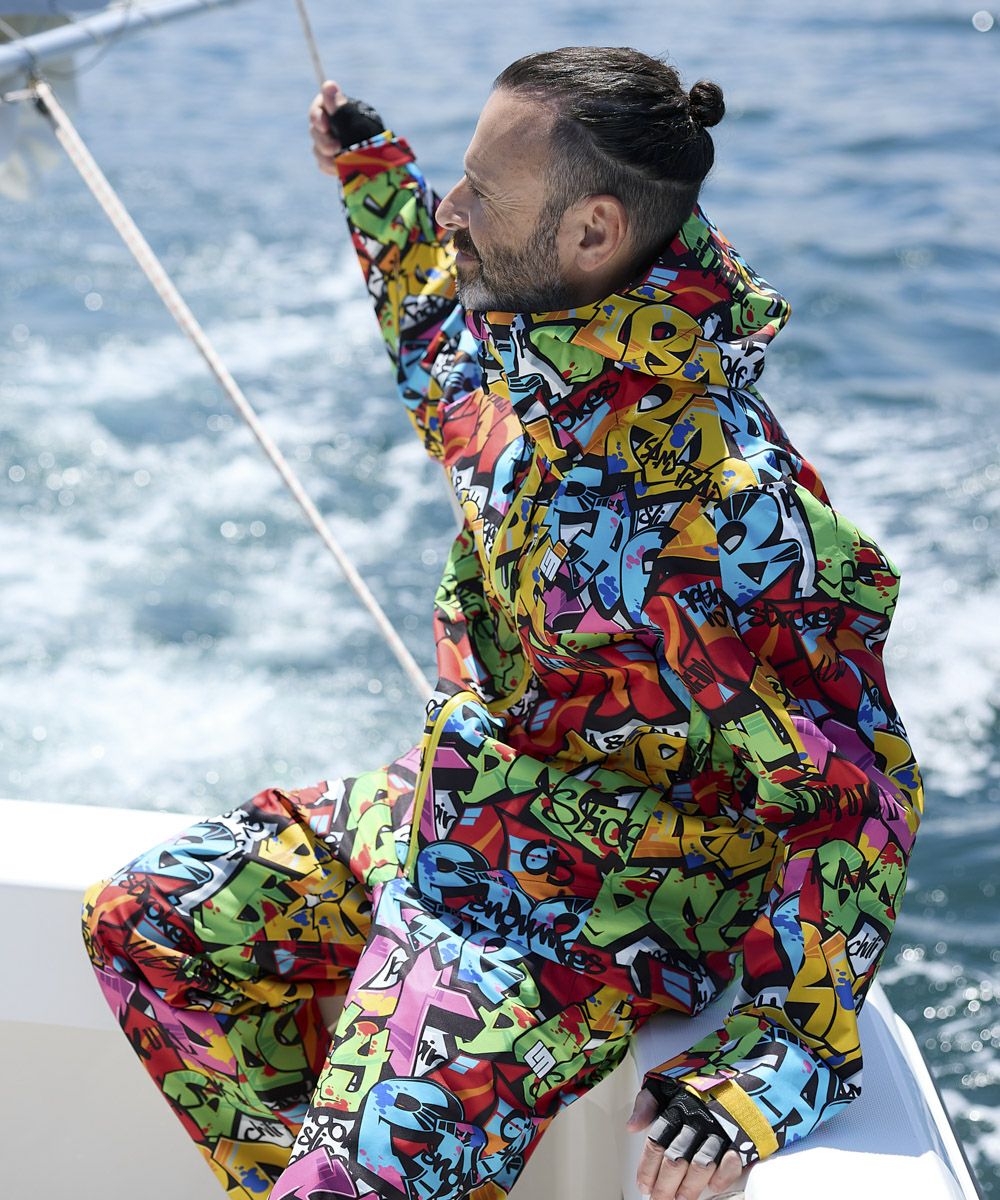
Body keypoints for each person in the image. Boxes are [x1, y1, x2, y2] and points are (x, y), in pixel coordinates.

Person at [81, 46, 924, 1200]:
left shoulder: (728, 509)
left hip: (590, 914)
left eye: (482, 192)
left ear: (592, 230)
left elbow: (858, 789)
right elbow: (430, 332)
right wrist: (371, 174)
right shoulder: (528, 357)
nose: (451, 212)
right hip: (452, 813)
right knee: (143, 926)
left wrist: (772, 1057)